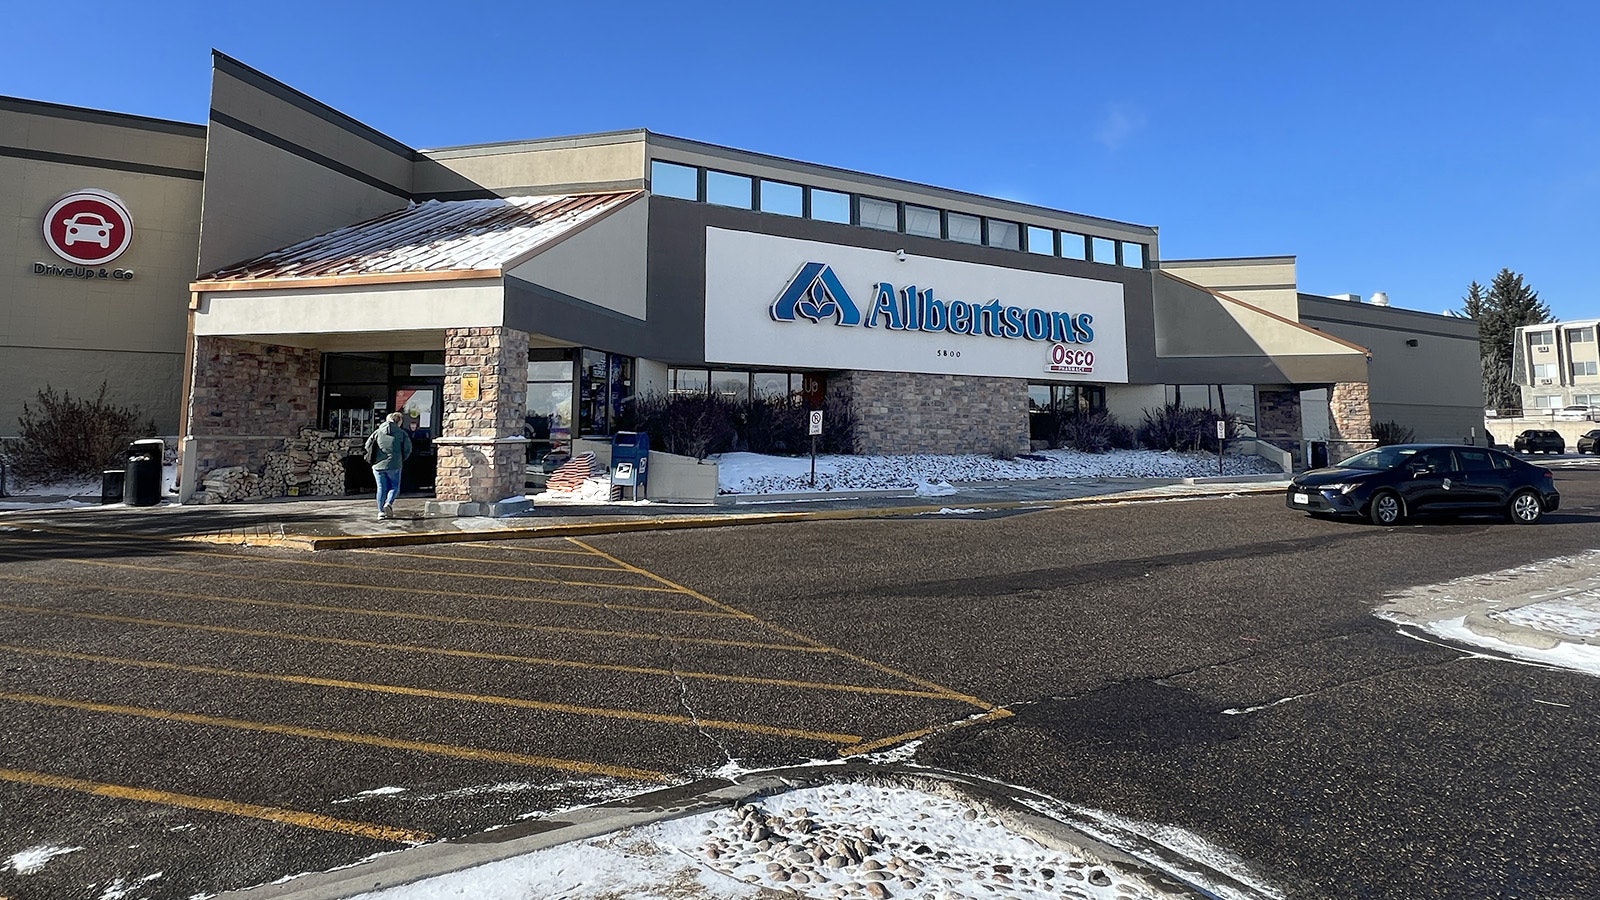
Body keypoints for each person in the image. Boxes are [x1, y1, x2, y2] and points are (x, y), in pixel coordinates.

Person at [365, 411, 412, 518]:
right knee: (394, 487)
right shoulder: (401, 433)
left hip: (377, 465)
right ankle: (388, 503)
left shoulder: (377, 432)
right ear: (399, 422)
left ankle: (380, 512)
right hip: (394, 464)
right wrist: (400, 459)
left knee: (381, 488)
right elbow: (408, 449)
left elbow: (367, 446)